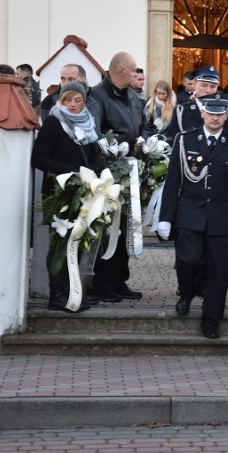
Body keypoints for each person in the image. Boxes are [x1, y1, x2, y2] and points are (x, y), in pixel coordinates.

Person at [157, 93, 228, 339]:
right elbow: (173, 180)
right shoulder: (185, 140)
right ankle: (187, 292)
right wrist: (166, 216)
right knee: (188, 260)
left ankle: (211, 320)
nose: (215, 117)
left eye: (220, 113)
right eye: (211, 112)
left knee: (219, 271)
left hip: (221, 217)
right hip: (189, 213)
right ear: (203, 114)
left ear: (226, 116)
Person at [87, 51, 155, 302]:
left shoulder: (134, 97)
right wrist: (116, 145)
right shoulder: (97, 96)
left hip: (133, 169)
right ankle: (102, 282)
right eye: (134, 69)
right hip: (110, 171)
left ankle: (119, 279)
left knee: (127, 227)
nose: (138, 74)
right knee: (110, 230)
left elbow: (146, 125)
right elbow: (94, 133)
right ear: (121, 70)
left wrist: (143, 140)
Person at [31, 82, 102, 312]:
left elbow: (94, 156)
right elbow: (39, 159)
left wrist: (97, 173)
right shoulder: (53, 122)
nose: (72, 105)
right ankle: (57, 296)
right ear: (60, 101)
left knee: (78, 243)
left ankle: (73, 292)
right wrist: (70, 172)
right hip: (58, 194)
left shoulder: (88, 124)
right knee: (60, 245)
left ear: (84, 101)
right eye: (67, 100)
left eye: (77, 100)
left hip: (83, 193)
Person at [161, 66, 228, 141]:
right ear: (194, 84)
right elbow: (172, 139)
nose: (208, 90)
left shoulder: (225, 112)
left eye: (213, 86)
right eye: (204, 85)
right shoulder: (182, 111)